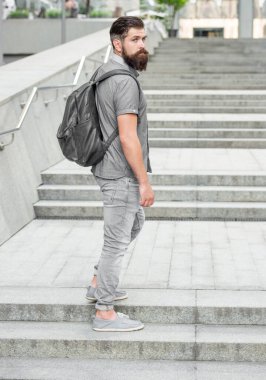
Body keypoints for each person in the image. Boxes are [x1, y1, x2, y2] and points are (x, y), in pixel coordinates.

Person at [85, 16, 154, 332]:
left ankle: (100, 280)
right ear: (117, 43)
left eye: (143, 39)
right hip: (120, 174)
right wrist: (144, 181)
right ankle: (105, 311)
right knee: (116, 243)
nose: (143, 46)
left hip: (107, 167)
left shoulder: (105, 72)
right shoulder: (124, 81)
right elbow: (128, 137)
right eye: (135, 40)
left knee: (135, 222)